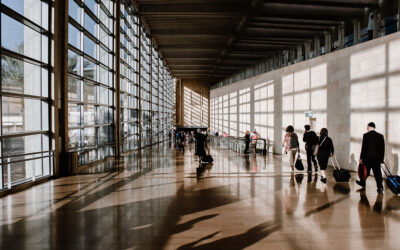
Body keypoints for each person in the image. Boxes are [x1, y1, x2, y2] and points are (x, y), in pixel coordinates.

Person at [356, 122, 385, 193]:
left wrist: (361, 158)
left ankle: (362, 183)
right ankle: (380, 187)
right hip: (376, 159)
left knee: (365, 172)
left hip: (367, 158)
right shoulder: (380, 136)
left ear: (369, 127)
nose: (367, 128)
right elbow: (382, 149)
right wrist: (381, 159)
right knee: (378, 174)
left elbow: (363, 148)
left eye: (367, 127)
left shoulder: (366, 135)